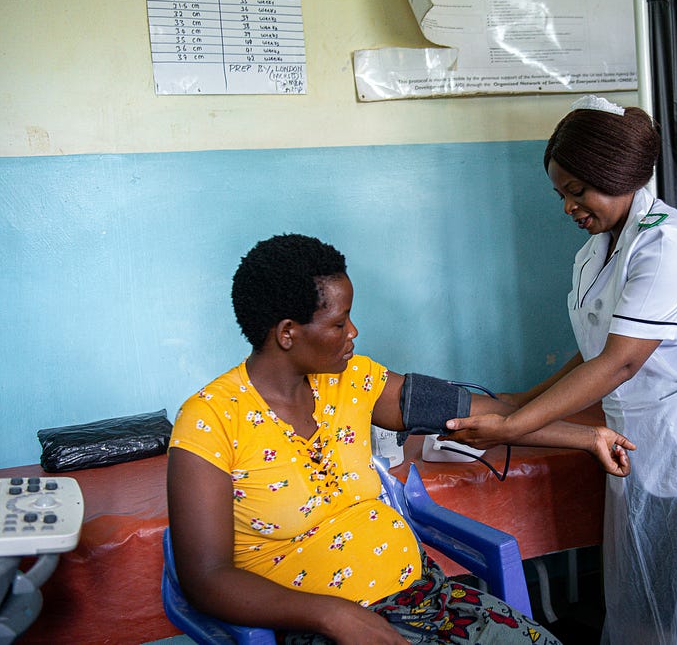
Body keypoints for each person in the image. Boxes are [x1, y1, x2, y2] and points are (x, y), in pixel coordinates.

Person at [167, 233, 635, 645]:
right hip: (322, 629)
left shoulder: (354, 380)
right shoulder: (209, 420)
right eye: (338, 322)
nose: (353, 332)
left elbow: (482, 414)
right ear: (288, 333)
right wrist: (333, 615)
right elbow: (206, 579)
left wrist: (585, 436)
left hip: (427, 600)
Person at [445, 95, 677, 644]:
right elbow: (598, 348)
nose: (567, 208)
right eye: (561, 194)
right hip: (643, 435)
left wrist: (514, 427)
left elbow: (621, 361)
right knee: (655, 595)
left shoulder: (667, 246)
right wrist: (521, 400)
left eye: (577, 192)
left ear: (617, 176)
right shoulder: (596, 250)